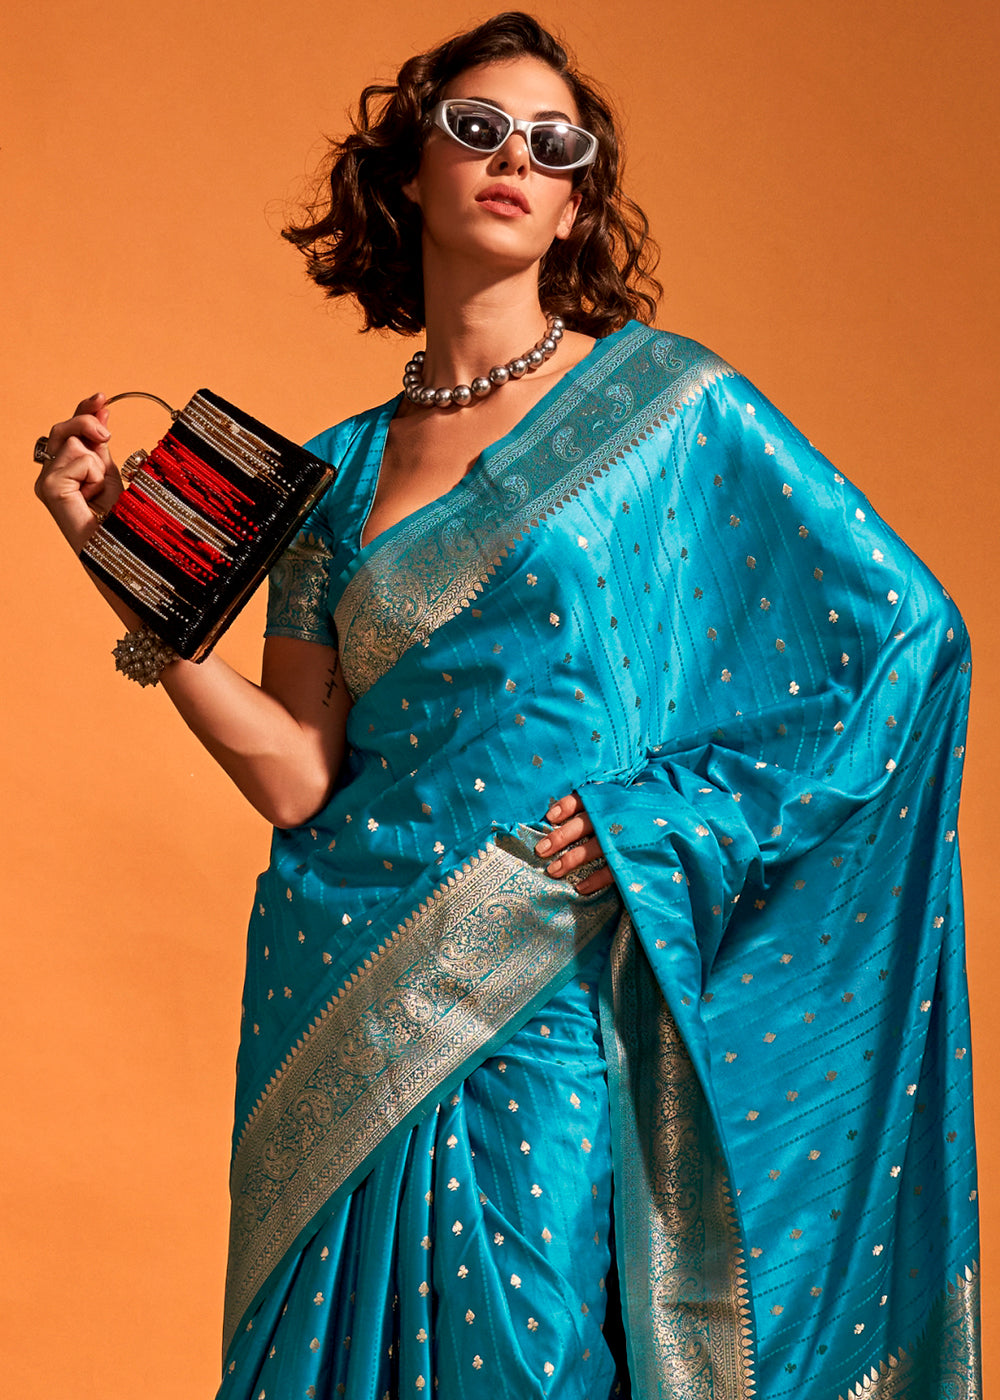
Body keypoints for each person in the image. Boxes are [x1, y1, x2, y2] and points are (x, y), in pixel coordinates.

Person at [34, 12, 980, 1399]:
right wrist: (122, 570)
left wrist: (677, 816)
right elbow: (297, 775)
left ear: (578, 201)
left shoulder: (670, 408)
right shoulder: (333, 481)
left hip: (543, 975)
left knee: (533, 1349)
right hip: (341, 992)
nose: (515, 160)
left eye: (555, 145)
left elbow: (908, 640)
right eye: (477, 129)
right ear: (408, 171)